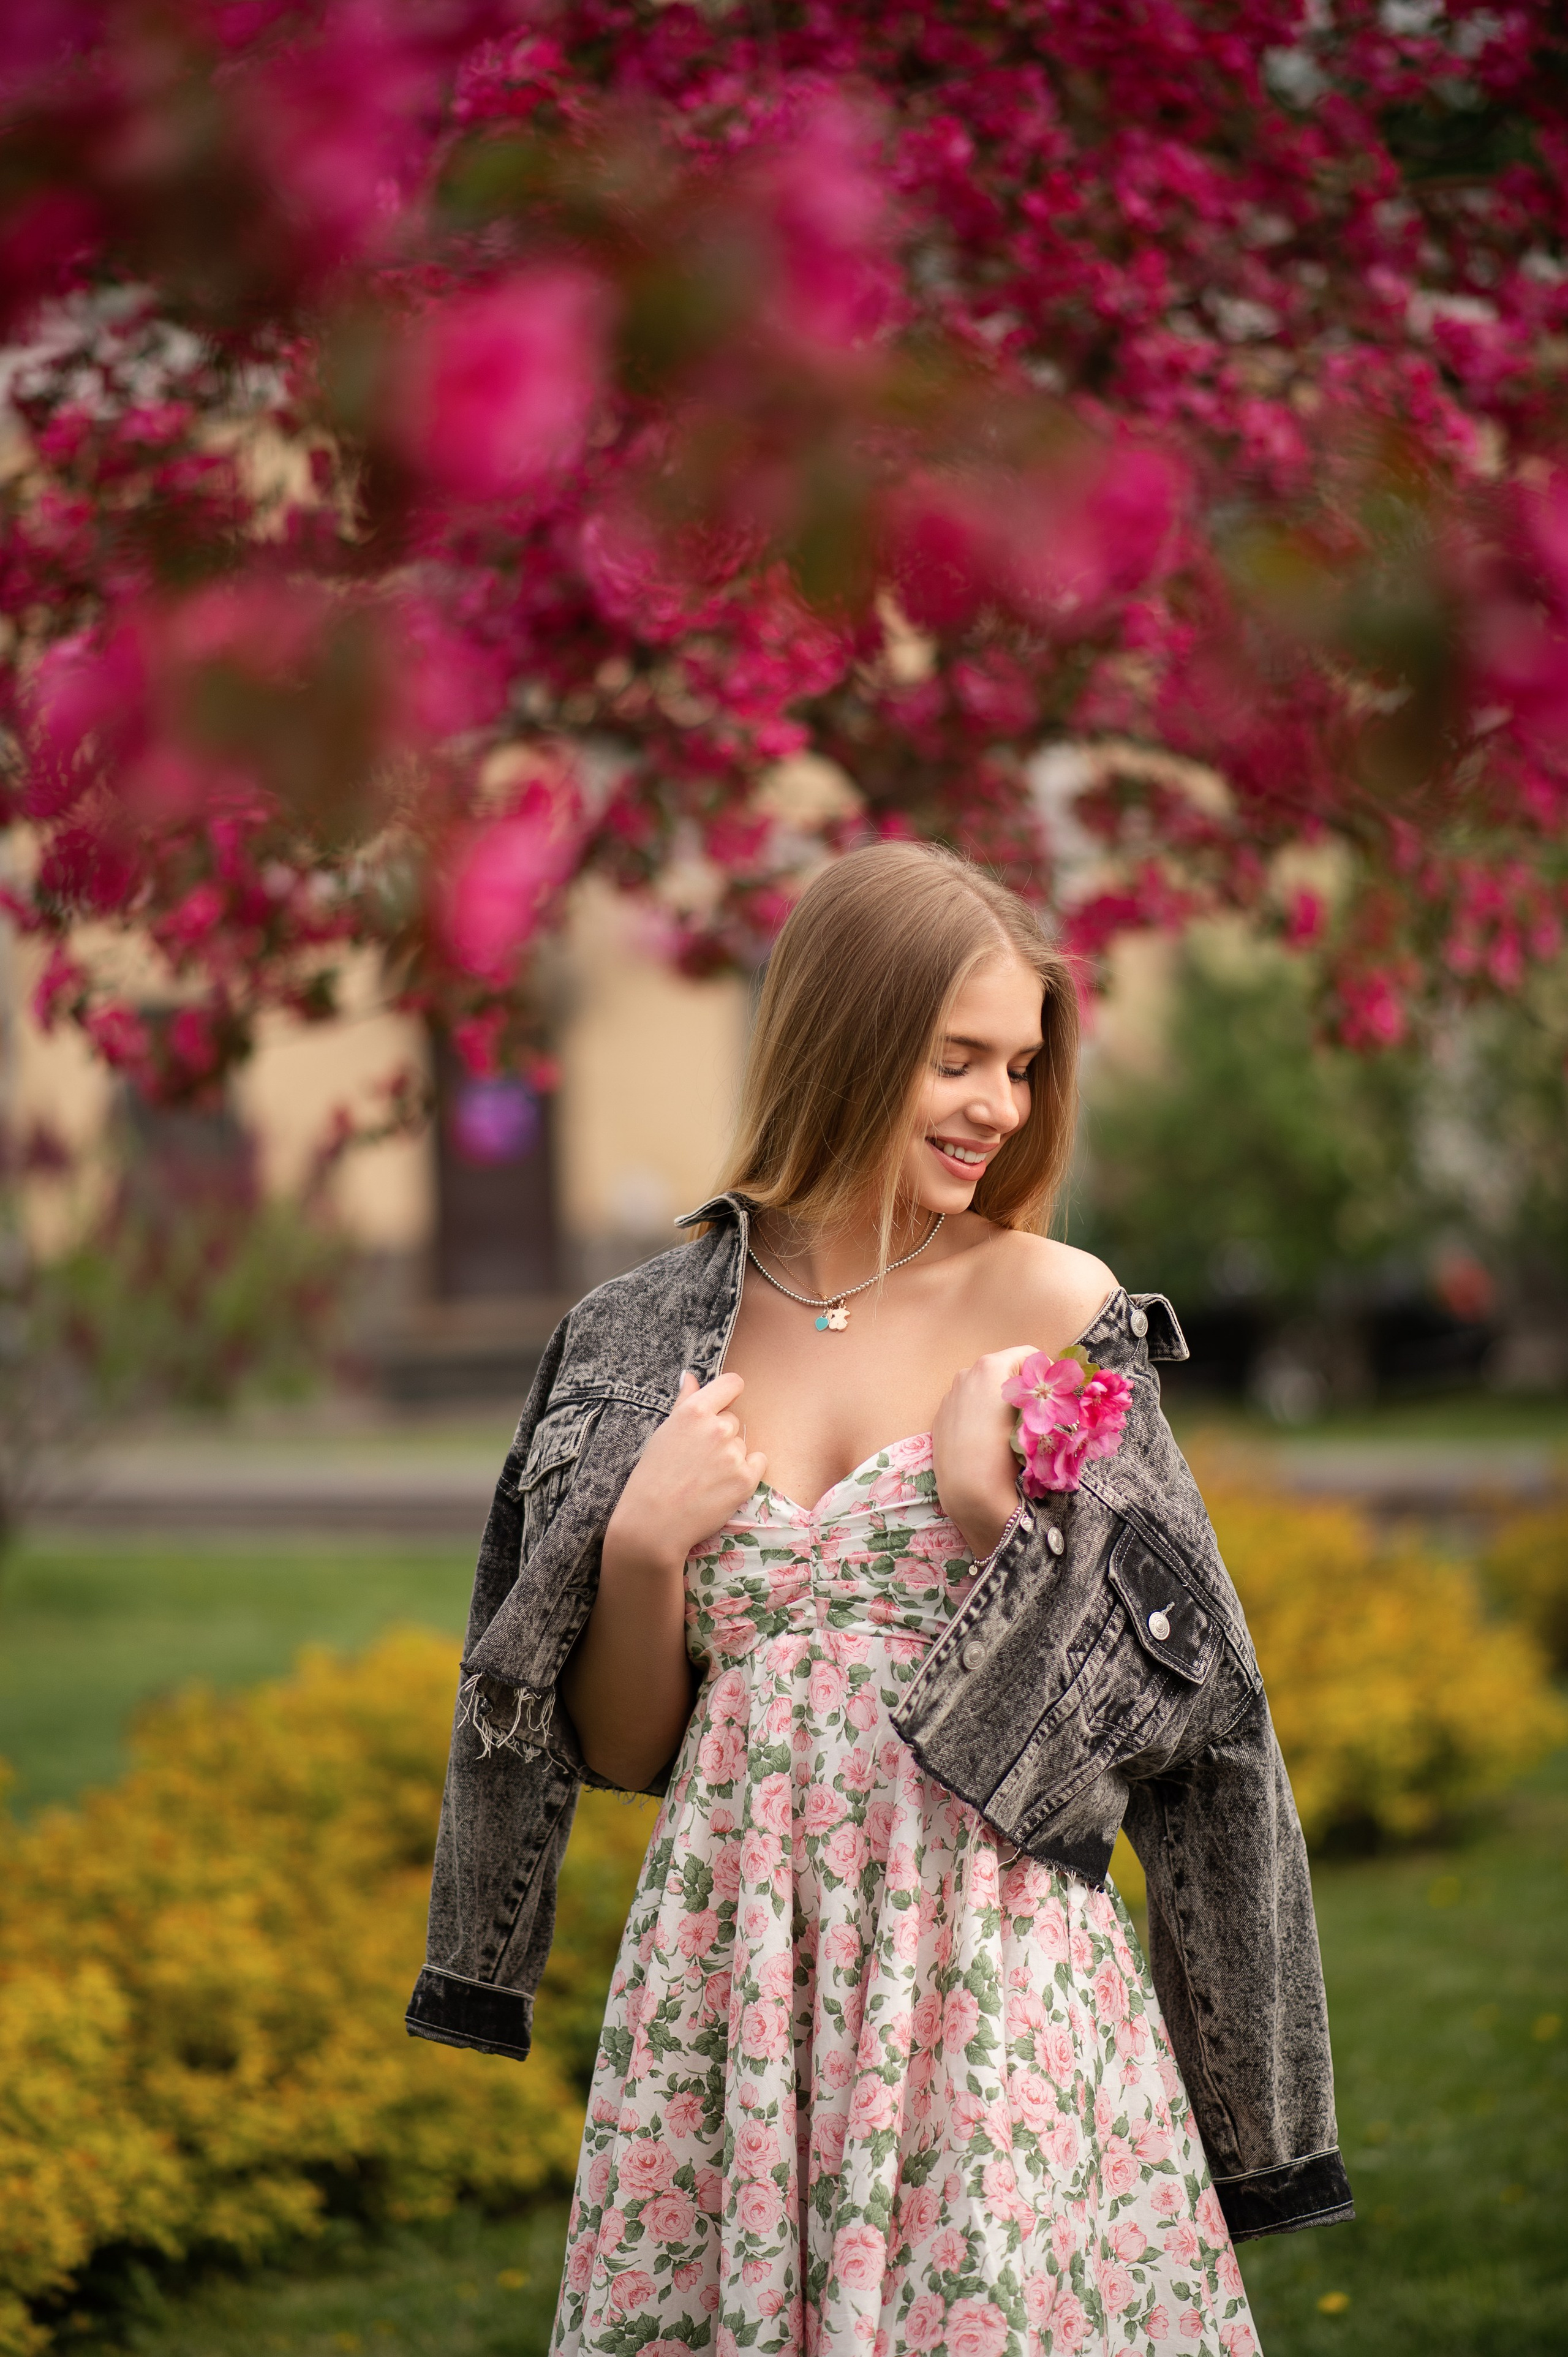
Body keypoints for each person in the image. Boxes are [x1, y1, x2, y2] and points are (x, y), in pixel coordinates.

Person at [407, 842, 1352, 2357]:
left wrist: (998, 1530)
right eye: (956, 1059)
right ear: (843, 1041)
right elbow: (632, 1748)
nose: (999, 1106)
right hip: (731, 1967)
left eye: (1022, 1066)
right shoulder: (636, 1332)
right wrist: (647, 1548)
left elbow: (1185, 1716)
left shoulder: (1051, 1304)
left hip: (984, 1962)